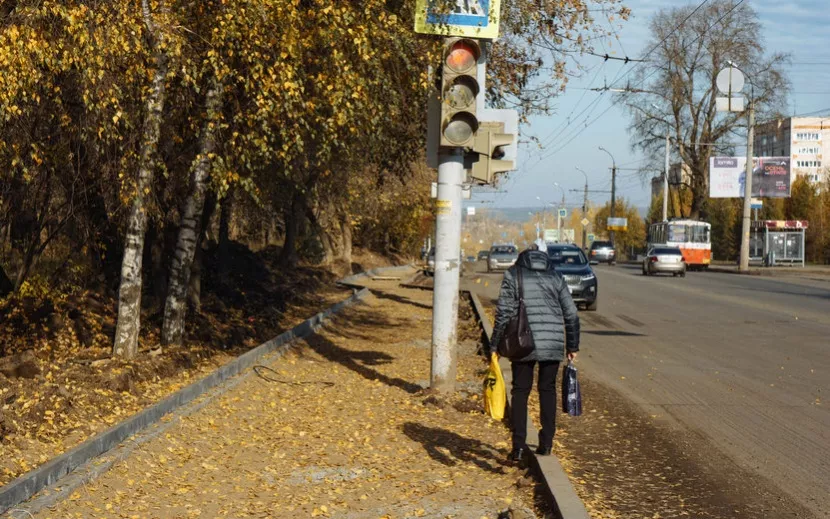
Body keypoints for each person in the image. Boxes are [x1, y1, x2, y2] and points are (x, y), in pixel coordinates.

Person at [487, 244, 580, 463]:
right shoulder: (555, 277)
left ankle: (518, 447)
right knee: (547, 390)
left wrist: (495, 345)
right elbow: (572, 314)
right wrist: (572, 346)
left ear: (522, 258)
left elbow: (503, 313)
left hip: (522, 341)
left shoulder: (513, 274)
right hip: (552, 343)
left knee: (520, 391)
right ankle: (546, 444)